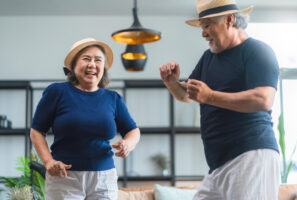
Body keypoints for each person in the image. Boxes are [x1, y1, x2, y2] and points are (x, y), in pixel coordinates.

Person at [159, 0, 280, 199]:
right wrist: (172, 83)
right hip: (218, 165)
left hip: (251, 154)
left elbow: (264, 98)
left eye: (207, 25)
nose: (203, 33)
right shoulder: (208, 58)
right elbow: (188, 94)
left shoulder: (257, 51)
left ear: (229, 20)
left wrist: (211, 96)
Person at [30, 38, 140, 200]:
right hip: (64, 177)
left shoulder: (112, 98)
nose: (92, 64)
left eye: (98, 60)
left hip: (104, 178)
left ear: (103, 68)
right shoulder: (57, 92)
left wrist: (127, 144)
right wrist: (48, 162)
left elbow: (133, 131)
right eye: (86, 59)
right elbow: (36, 131)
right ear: (73, 66)